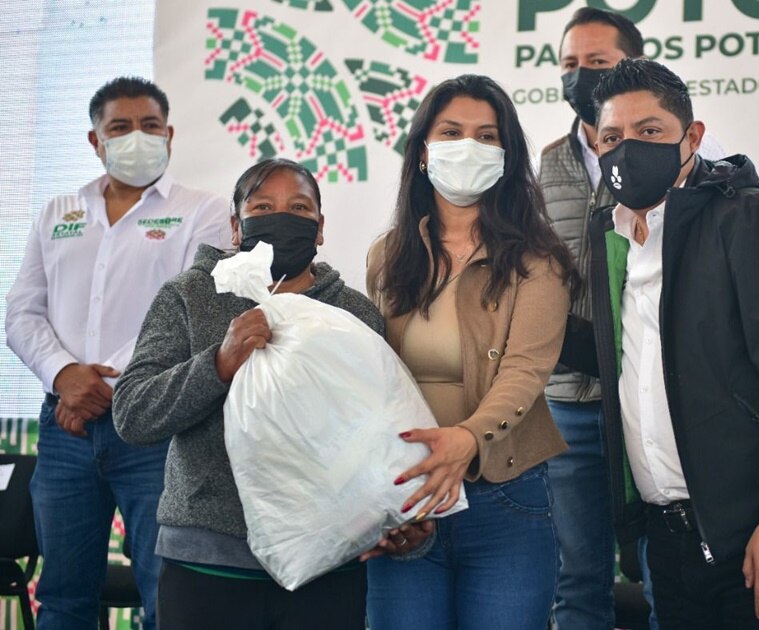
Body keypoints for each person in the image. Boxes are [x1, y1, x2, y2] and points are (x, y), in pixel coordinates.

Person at [574, 58, 759, 629]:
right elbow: (644, 363)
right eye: (612, 137)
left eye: (649, 131)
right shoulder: (613, 239)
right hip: (670, 544)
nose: (628, 149)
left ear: (692, 136)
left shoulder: (756, 219)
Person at [111, 159, 418, 628]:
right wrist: (219, 363)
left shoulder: (354, 312)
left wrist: (397, 516)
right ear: (236, 226)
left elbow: (378, 428)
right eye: (263, 207)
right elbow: (133, 414)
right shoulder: (190, 296)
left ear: (319, 229)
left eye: (299, 208)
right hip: (207, 561)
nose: (282, 219)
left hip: (326, 562)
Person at [4, 76, 231, 629]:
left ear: (170, 133)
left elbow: (191, 311)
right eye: (120, 127)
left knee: (165, 593)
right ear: (94, 140)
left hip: (156, 429)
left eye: (150, 126)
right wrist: (64, 377)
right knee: (61, 595)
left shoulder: (205, 211)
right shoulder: (58, 212)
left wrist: (102, 386)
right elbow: (22, 313)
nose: (137, 137)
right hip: (66, 431)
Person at [364, 74, 579, 630]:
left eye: (488, 136)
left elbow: (526, 370)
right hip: (406, 499)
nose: (469, 146)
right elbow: (373, 374)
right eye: (452, 131)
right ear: (421, 152)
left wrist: (465, 439)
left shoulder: (539, 259)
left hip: (504, 498)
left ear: (507, 157)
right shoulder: (387, 256)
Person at [539, 8, 724, 629]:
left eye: (597, 63)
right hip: (568, 402)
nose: (581, 76)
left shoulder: (689, 165)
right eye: (570, 65)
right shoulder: (546, 163)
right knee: (575, 575)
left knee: (662, 569)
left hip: (655, 398)